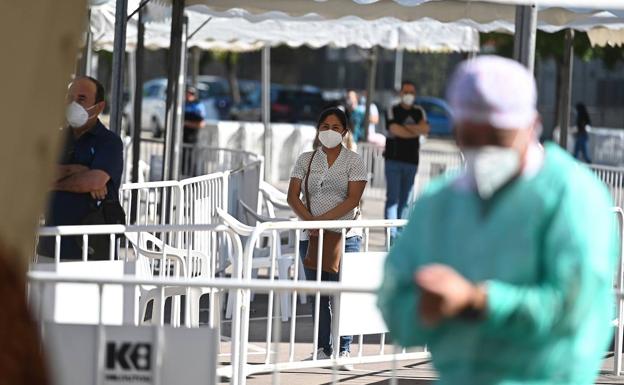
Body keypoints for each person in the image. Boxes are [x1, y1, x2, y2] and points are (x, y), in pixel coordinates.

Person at [378, 56, 617, 385]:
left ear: (531, 126)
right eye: (471, 137)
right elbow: (395, 296)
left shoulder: (571, 197)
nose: (484, 149)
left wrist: (478, 301)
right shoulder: (441, 202)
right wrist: (421, 309)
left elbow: (573, 305)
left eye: (497, 136)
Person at [287, 107, 367, 369]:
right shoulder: (305, 159)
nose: (329, 132)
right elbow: (292, 196)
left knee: (343, 293)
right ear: (317, 129)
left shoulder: (354, 161)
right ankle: (323, 348)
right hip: (310, 236)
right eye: (324, 126)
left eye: (335, 127)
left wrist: (322, 222)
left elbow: (353, 200)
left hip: (345, 236)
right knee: (318, 294)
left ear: (344, 131)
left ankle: (343, 350)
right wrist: (311, 224)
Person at [38, 76, 124, 261]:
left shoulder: (109, 142)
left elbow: (95, 181)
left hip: (92, 249)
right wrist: (76, 171)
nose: (73, 104)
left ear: (99, 107)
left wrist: (53, 183)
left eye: (81, 99)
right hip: (51, 245)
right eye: (69, 98)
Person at [383, 81, 430, 240]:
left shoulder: (419, 111)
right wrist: (415, 130)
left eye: (412, 91)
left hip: (411, 162)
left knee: (406, 202)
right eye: (406, 91)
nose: (409, 94)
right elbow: (394, 130)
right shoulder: (393, 109)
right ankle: (391, 239)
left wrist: (405, 129)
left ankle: (401, 239)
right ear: (401, 93)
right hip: (393, 161)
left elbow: (425, 129)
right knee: (393, 200)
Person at [182, 86, 207, 174]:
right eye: (188, 93)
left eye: (192, 94)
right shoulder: (183, 104)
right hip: (182, 138)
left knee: (191, 161)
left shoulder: (198, 105)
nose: (189, 95)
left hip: (192, 138)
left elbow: (201, 124)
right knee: (182, 161)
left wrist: (186, 123)